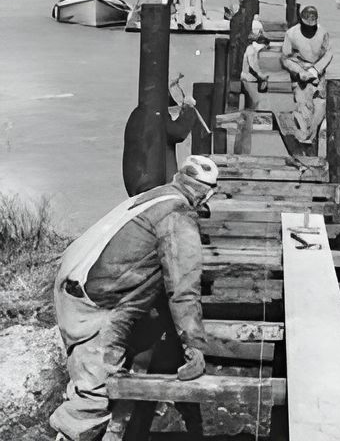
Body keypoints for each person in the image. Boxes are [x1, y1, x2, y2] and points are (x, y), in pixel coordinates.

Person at [50, 155, 219, 441]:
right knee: (92, 395)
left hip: (73, 284)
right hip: (96, 304)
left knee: (146, 331)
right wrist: (193, 346)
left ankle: (126, 405)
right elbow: (183, 288)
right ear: (207, 193)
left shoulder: (157, 195)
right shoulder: (177, 214)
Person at [280, 5, 332, 144]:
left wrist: (316, 70)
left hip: (318, 76)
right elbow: (286, 58)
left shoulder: (323, 33)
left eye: (312, 26)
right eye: (307, 25)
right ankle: (304, 140)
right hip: (300, 77)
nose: (310, 29)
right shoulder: (291, 34)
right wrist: (299, 71)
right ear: (301, 21)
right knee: (304, 108)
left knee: (320, 107)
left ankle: (312, 135)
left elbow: (328, 53)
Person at [240, 34, 270, 109]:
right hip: (249, 79)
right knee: (254, 102)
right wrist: (261, 76)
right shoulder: (252, 50)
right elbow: (252, 66)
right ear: (262, 44)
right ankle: (249, 118)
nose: (264, 49)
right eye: (265, 46)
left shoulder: (252, 49)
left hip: (250, 79)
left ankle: (248, 118)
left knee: (251, 103)